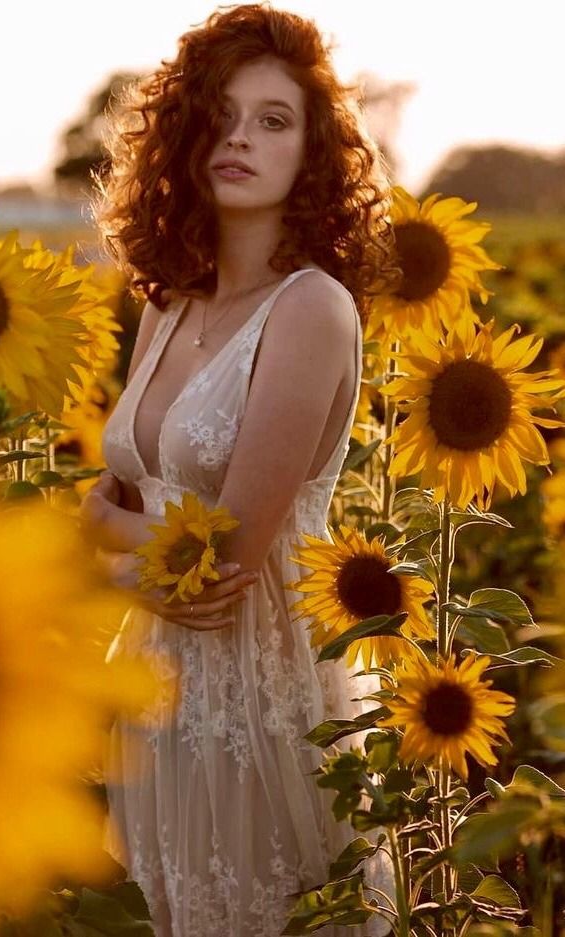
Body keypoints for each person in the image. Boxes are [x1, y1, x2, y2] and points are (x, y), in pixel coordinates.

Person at [81, 4, 400, 935]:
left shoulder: (312, 308)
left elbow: (225, 564)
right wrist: (124, 541)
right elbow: (166, 531)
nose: (239, 138)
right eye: (219, 114)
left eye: (272, 120)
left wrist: (101, 533)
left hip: (261, 694)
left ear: (313, 151)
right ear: (183, 134)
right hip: (157, 689)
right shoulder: (168, 306)